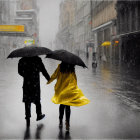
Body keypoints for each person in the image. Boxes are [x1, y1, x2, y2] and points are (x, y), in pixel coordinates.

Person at [47, 62, 90, 131]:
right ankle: (67, 122)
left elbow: (55, 75)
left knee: (61, 105)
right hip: (69, 89)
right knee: (68, 106)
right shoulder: (71, 68)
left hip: (61, 89)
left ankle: (60, 120)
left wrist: (49, 81)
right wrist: (74, 87)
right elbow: (74, 78)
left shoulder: (60, 67)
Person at [18, 56, 50, 127]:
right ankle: (39, 115)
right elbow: (44, 71)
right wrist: (48, 79)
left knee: (27, 100)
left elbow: (19, 71)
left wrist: (26, 74)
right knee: (37, 100)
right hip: (35, 83)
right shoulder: (37, 60)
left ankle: (28, 116)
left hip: (27, 83)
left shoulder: (22, 60)